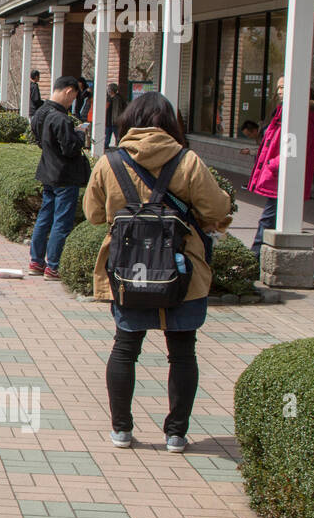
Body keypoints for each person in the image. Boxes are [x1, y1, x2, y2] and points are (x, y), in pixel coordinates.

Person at [83, 91, 232, 453]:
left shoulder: (109, 162)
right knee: (183, 352)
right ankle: (176, 434)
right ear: (170, 123)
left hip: (128, 272)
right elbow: (216, 209)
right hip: (182, 272)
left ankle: (121, 430)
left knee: (124, 348)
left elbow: (93, 214)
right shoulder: (188, 161)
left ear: (128, 122)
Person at [248, 79, 314, 256]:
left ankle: (253, 260)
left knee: (267, 220)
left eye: (283, 87)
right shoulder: (285, 112)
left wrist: (272, 165)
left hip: (282, 177)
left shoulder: (300, 117)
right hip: (278, 175)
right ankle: (255, 259)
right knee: (269, 220)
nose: (279, 91)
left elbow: (295, 149)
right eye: (278, 87)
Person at [28, 75, 91, 280]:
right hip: (65, 176)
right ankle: (53, 266)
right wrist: (80, 135)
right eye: (73, 97)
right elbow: (70, 148)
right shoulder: (60, 118)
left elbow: (41, 142)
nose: (72, 101)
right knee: (61, 221)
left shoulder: (40, 114)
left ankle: (36, 261)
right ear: (68, 91)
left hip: (48, 172)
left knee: (45, 217)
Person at [104, 83, 124, 148]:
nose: (108, 91)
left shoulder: (117, 99)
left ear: (112, 90)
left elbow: (118, 110)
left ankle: (119, 146)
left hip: (115, 121)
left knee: (117, 136)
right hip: (109, 121)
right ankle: (106, 146)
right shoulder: (108, 98)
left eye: (109, 89)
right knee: (107, 136)